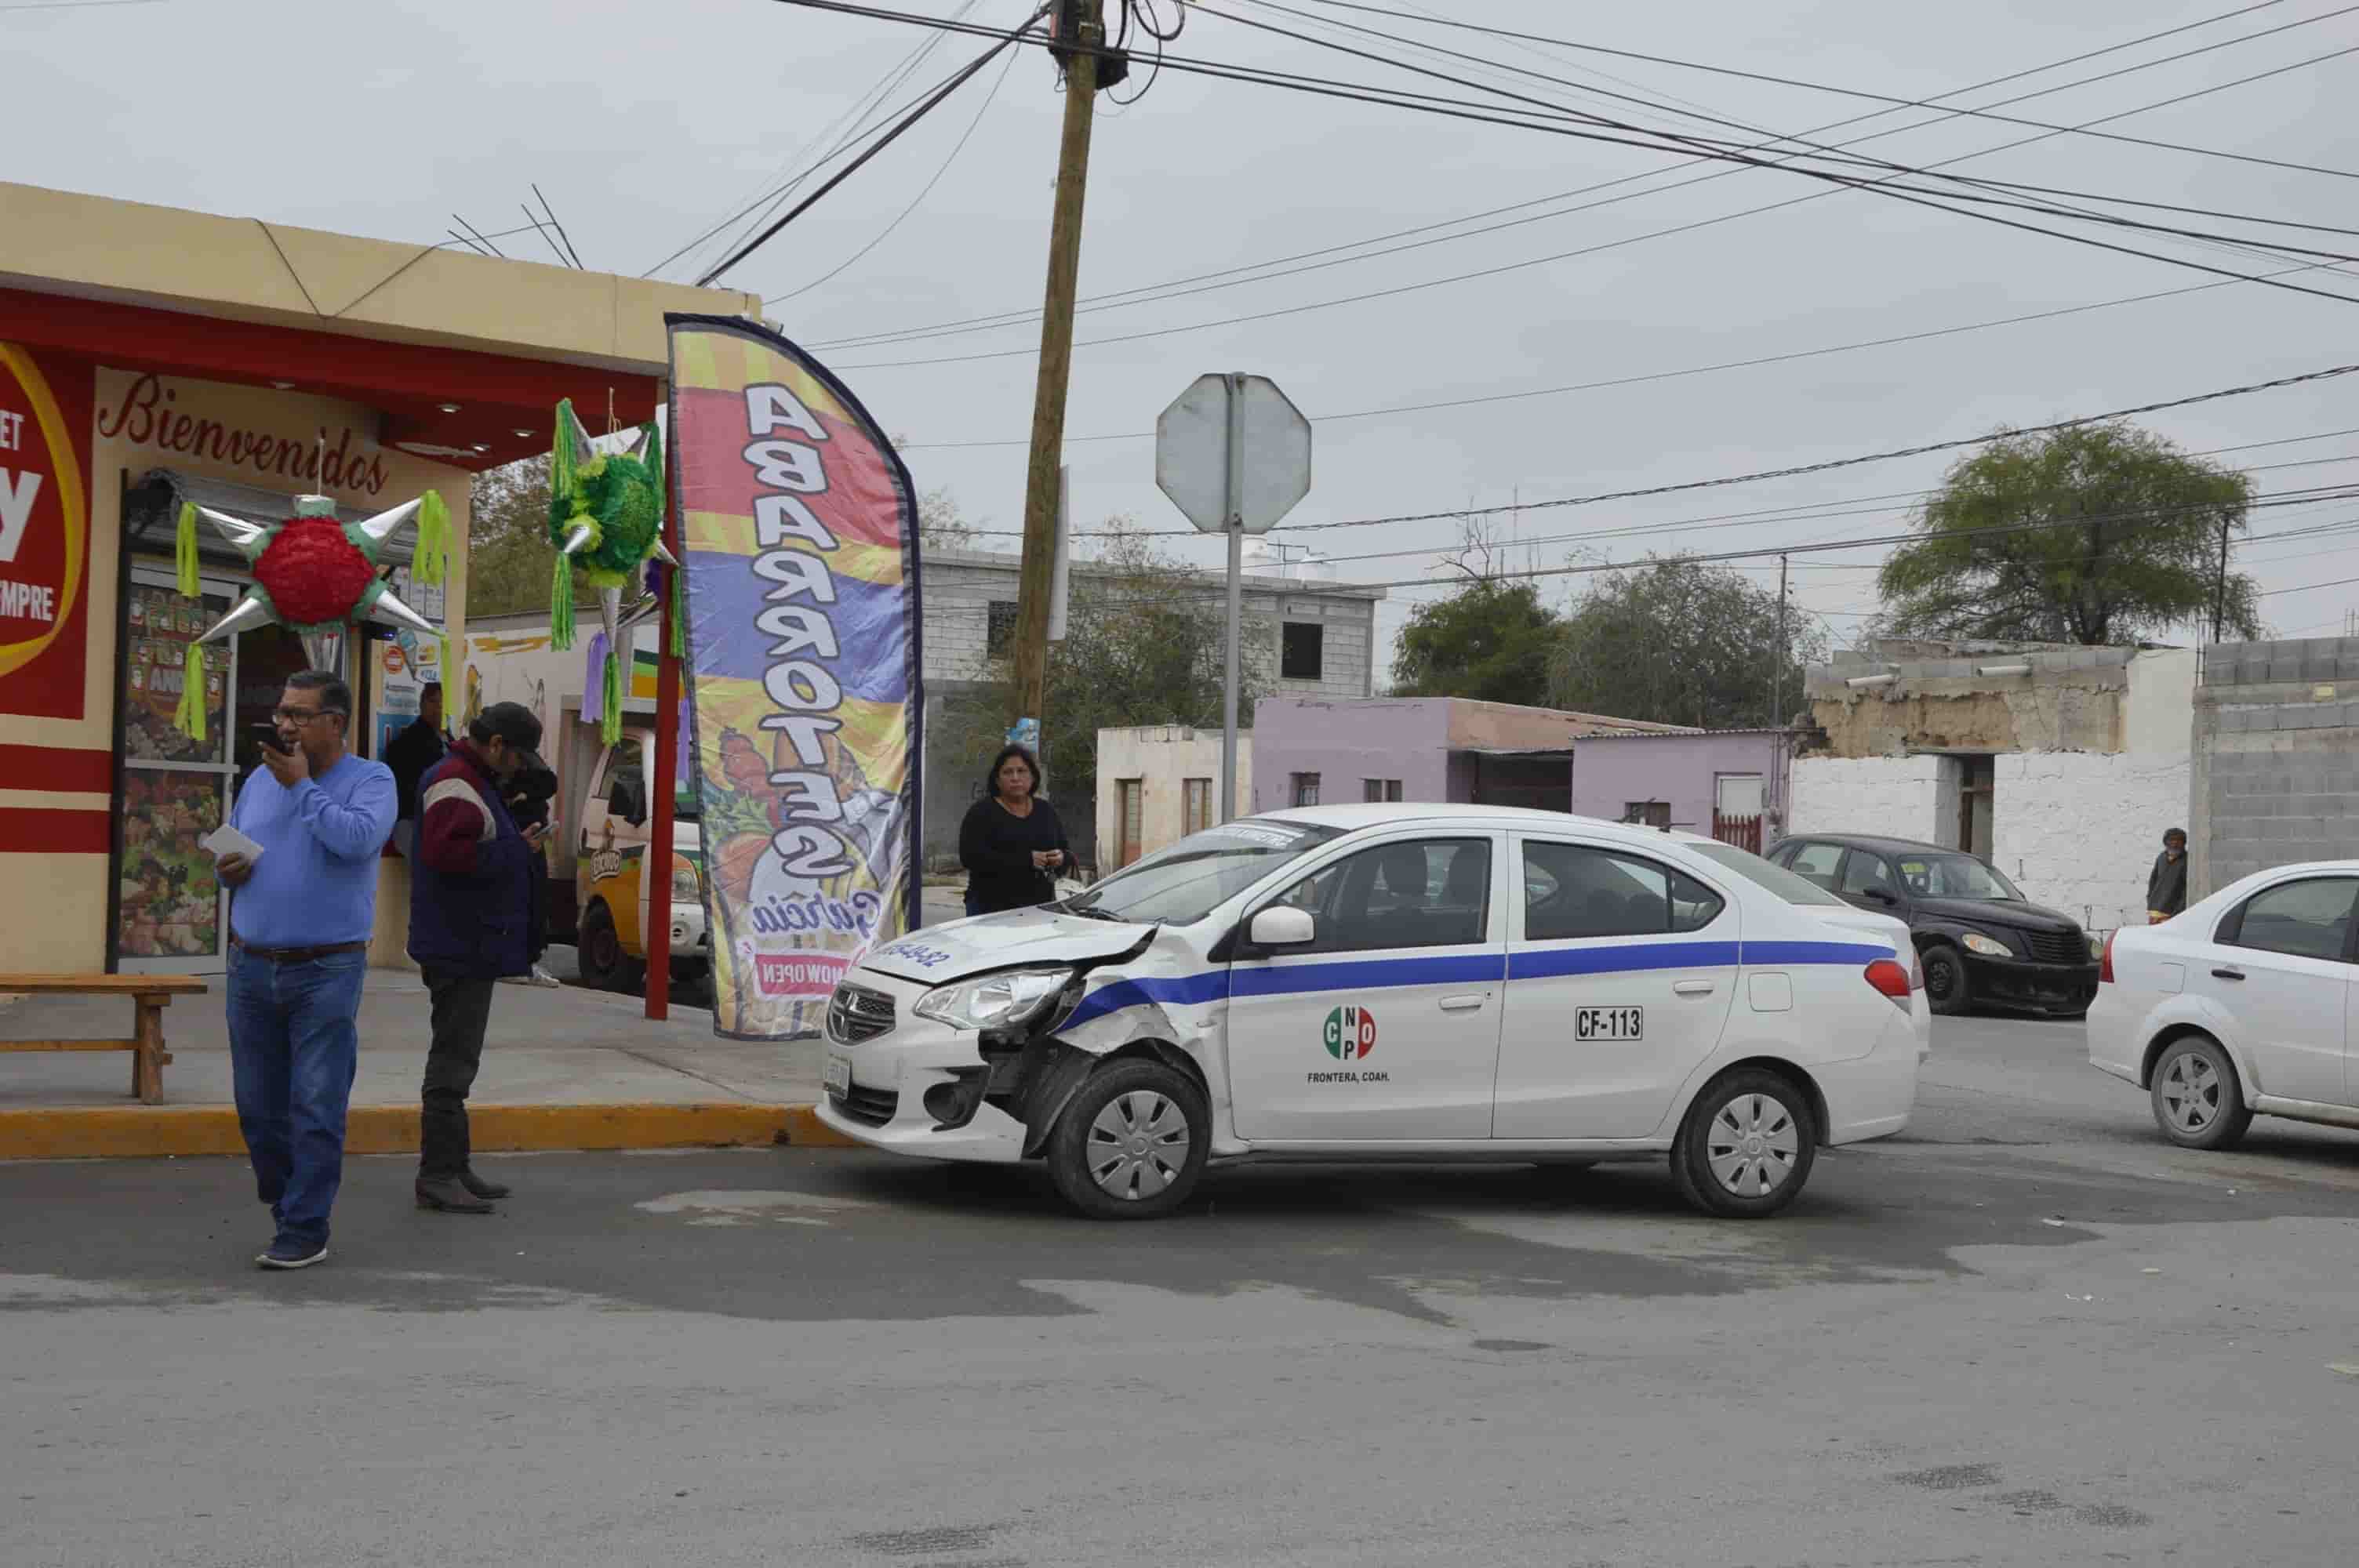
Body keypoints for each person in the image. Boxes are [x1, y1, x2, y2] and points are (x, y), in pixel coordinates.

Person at [213, 670, 397, 1270]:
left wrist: (301, 788)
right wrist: (227, 868)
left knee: (315, 1105)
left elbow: (356, 841)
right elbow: (231, 846)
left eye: (298, 714)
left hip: (327, 968)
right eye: (282, 711)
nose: (284, 724)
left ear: (334, 724)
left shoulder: (372, 780)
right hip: (250, 966)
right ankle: (288, 1205)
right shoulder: (261, 781)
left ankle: (305, 1227)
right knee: (257, 1110)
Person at [407, 701, 546, 1214]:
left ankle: (455, 1166)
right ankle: (437, 1174)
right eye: (517, 756)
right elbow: (447, 857)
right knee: (452, 1063)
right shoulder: (455, 782)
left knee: (460, 1059)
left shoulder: (471, 778)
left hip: (467, 945)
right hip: (457, 947)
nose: (519, 766)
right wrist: (517, 851)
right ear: (494, 746)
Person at [958, 744, 1070, 917]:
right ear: (997, 779)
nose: (1015, 778)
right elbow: (970, 857)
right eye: (1008, 772)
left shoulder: (1045, 811)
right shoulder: (981, 812)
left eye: (1022, 771)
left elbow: (1065, 850)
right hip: (990, 909)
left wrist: (1060, 858)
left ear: (1033, 777)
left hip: (1040, 909)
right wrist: (1026, 860)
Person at [498, 747, 563, 989]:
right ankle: (513, 963)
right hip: (514, 837)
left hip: (535, 837)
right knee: (516, 899)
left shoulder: (530, 760)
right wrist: (517, 796)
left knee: (536, 898)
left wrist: (526, 793)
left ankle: (528, 960)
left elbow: (549, 783)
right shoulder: (499, 765)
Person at [383, 680, 448, 860]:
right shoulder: (408, 743)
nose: (439, 708)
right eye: (434, 702)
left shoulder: (447, 738)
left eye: (443, 703)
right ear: (422, 704)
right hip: (414, 822)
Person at [2147, 826, 2190, 924]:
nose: (2175, 843)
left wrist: (2177, 913)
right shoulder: (2161, 857)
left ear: (2184, 843)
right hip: (2155, 912)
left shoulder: (2187, 861)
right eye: (2172, 840)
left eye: (2178, 840)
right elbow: (2153, 881)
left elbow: (2187, 889)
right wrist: (2150, 902)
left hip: (2173, 914)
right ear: (2166, 842)